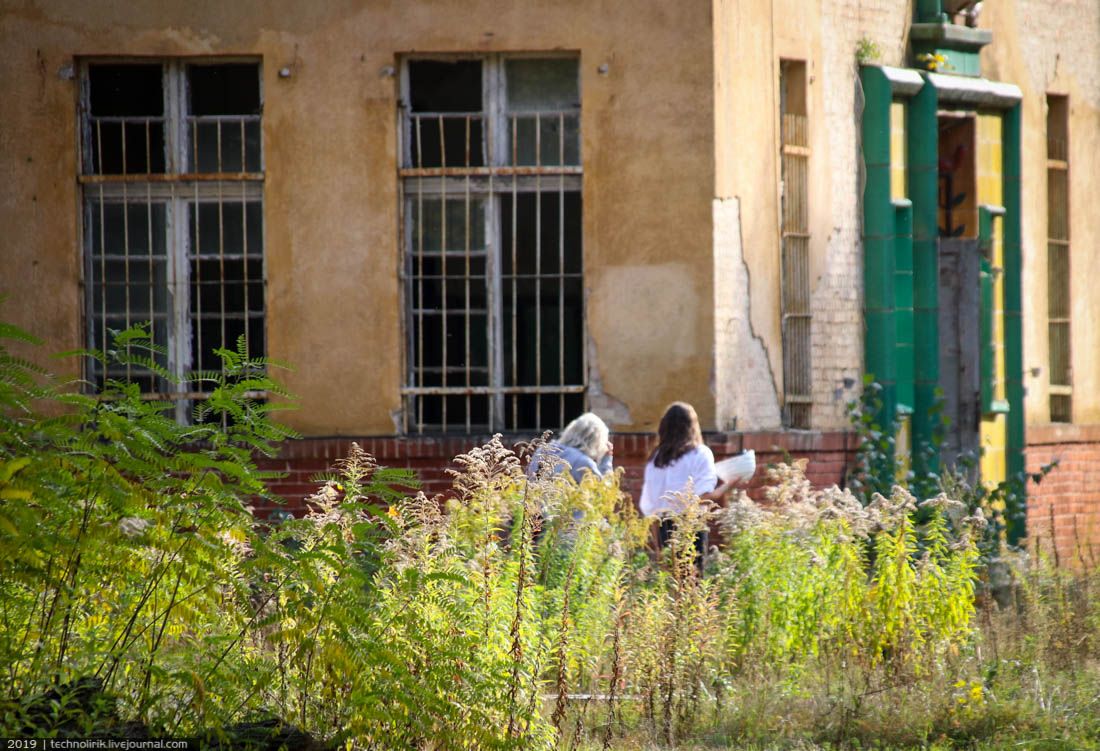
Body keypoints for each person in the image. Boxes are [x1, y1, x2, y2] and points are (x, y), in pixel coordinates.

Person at [639, 402, 736, 558]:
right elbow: (704, 497)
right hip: (691, 527)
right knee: (693, 580)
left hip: (664, 527)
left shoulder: (656, 459)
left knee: (669, 578)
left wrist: (657, 544)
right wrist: (731, 484)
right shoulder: (700, 454)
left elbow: (651, 508)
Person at [528, 412, 614, 482]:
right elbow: (603, 492)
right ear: (597, 440)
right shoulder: (583, 462)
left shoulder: (544, 450)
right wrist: (606, 459)